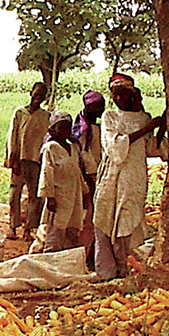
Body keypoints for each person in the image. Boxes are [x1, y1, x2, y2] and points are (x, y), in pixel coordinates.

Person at [92, 76, 165, 280]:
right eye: (115, 94)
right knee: (105, 222)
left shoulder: (144, 118)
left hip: (133, 179)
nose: (118, 98)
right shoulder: (110, 117)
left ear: (132, 95)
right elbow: (115, 148)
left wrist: (162, 127)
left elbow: (152, 148)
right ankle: (105, 273)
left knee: (127, 222)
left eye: (123, 94)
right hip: (110, 177)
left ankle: (125, 271)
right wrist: (149, 128)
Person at [37, 111, 89, 253]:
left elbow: (77, 172)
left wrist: (85, 192)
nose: (64, 131)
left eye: (67, 128)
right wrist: (50, 197)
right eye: (60, 128)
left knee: (72, 229)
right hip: (59, 196)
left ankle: (65, 261)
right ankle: (50, 259)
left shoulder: (72, 148)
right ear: (52, 129)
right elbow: (47, 173)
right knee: (56, 230)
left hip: (73, 195)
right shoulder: (50, 148)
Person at [5, 81, 50, 241]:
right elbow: (12, 136)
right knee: (14, 194)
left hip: (36, 161)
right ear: (31, 93)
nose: (38, 98)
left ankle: (29, 228)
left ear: (45, 97)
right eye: (36, 94)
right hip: (20, 159)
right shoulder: (20, 113)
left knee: (34, 197)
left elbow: (46, 139)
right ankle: (13, 225)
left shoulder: (45, 117)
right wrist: (12, 158)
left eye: (42, 95)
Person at [72, 90, 107, 262]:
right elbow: (83, 154)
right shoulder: (83, 128)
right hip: (88, 177)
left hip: (98, 175)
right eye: (98, 107)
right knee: (87, 216)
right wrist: (89, 178)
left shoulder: (96, 127)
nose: (102, 110)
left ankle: (91, 251)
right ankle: (83, 253)